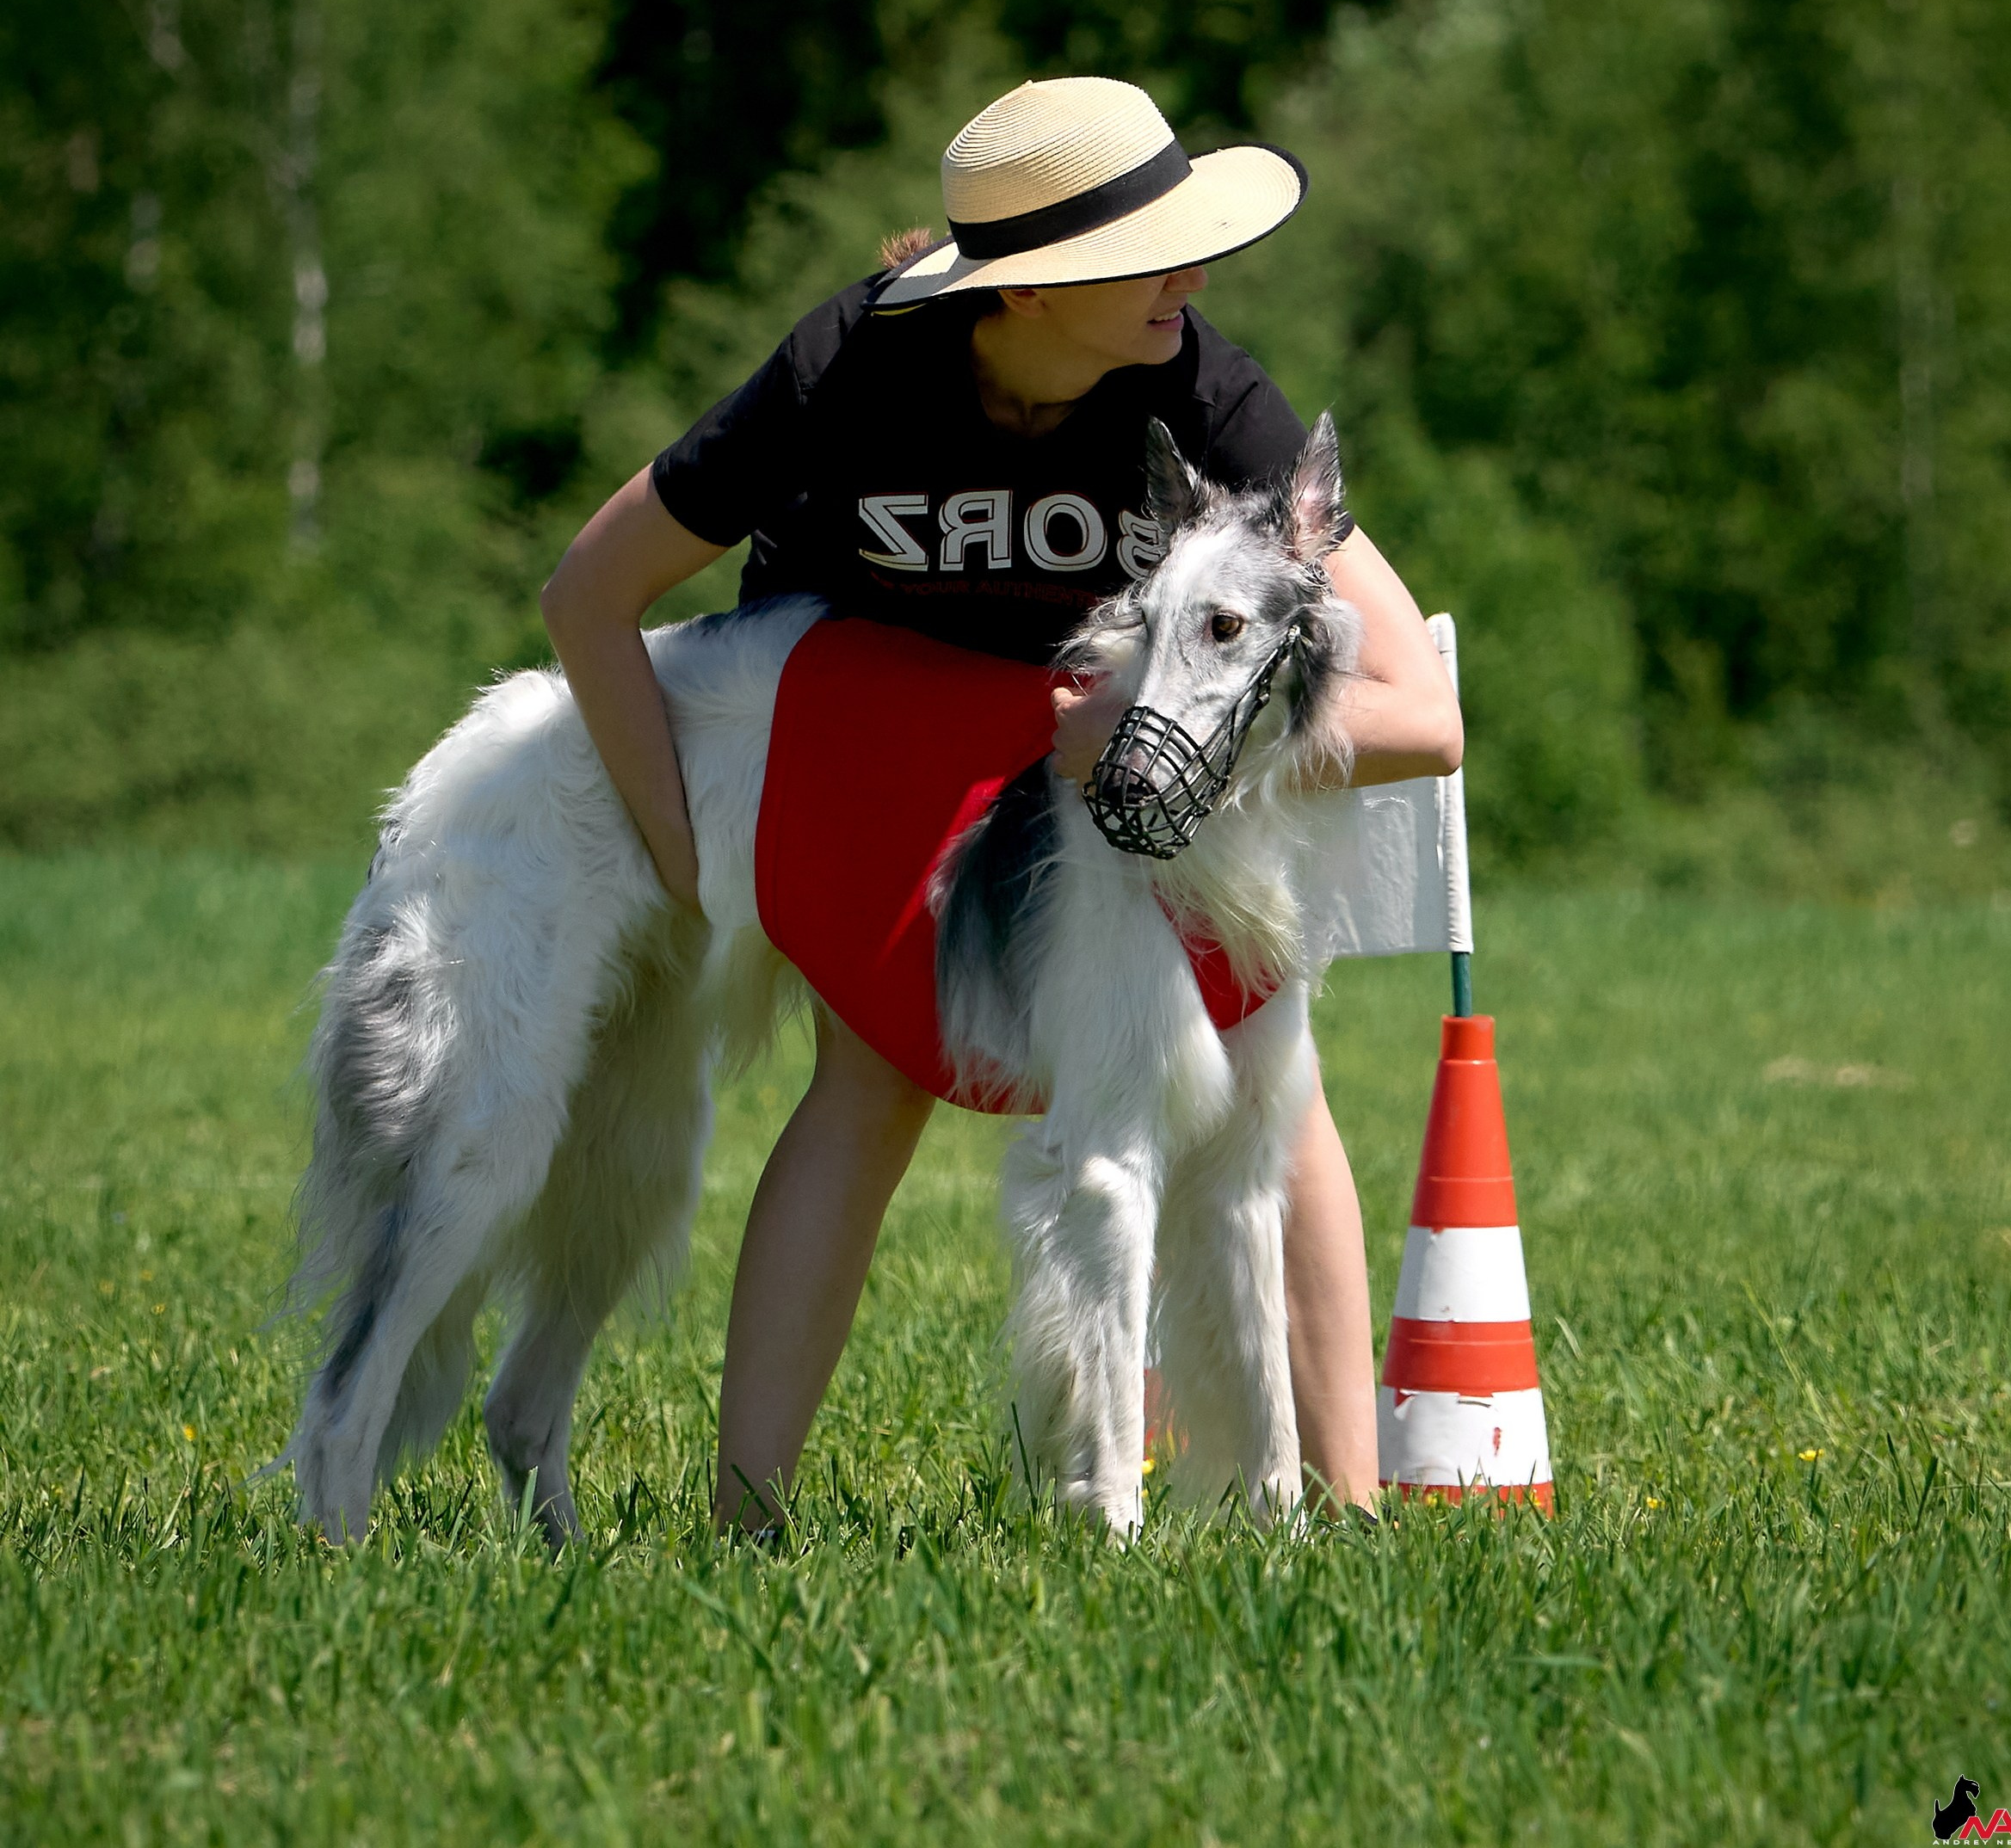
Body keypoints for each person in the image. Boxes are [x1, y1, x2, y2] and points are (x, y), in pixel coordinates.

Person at [540, 77, 1463, 1529]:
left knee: (1269, 1072)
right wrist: (687, 861)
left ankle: (1339, 1513)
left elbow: (1424, 711)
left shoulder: (1202, 385)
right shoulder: (851, 365)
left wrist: (1156, 740)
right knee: (871, 1074)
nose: (1193, 276)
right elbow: (589, 598)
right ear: (1025, 295)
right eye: (1148, 250)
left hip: (1113, 753)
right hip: (886, 741)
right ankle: (743, 1516)